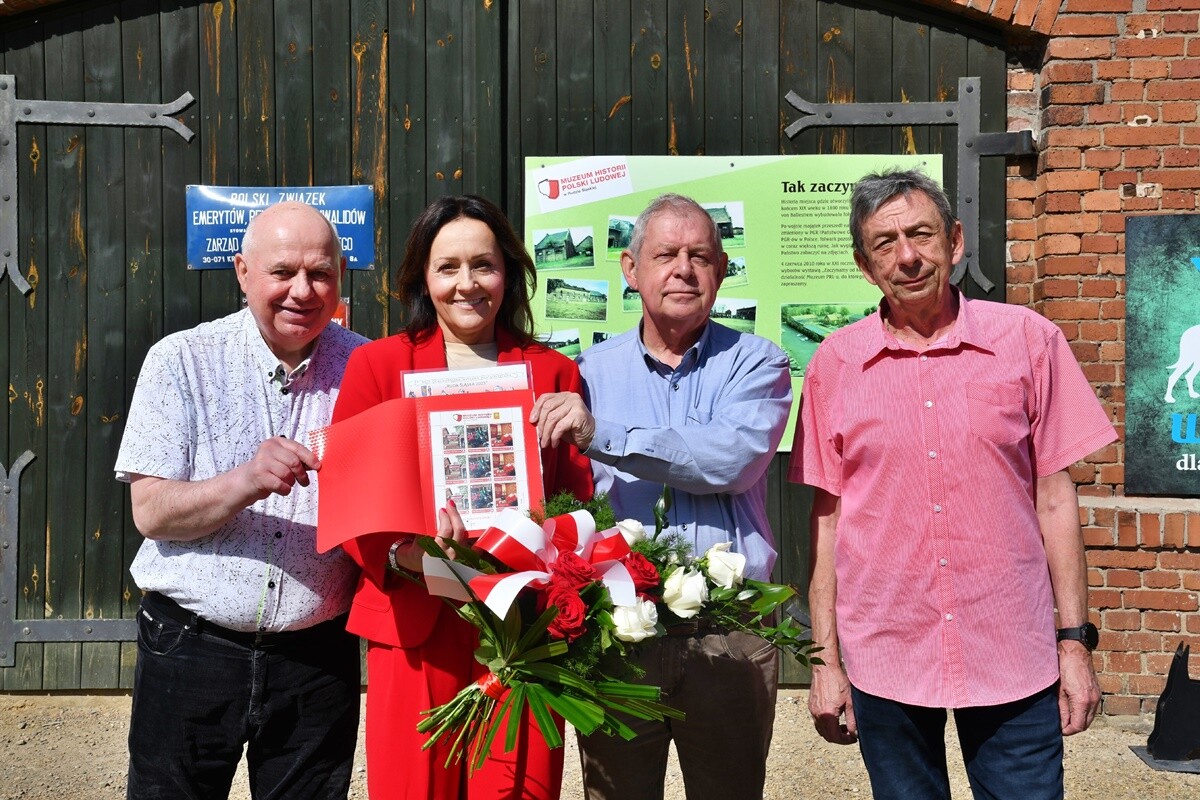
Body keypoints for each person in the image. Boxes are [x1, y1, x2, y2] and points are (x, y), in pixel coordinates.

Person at [790, 169, 1118, 800]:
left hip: (1010, 651)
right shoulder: (835, 363)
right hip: (886, 651)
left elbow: (1055, 499)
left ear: (956, 241)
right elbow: (827, 519)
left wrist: (1074, 643)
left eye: (922, 234)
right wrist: (825, 661)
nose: (907, 256)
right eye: (885, 244)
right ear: (864, 265)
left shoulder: (1028, 342)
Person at [331, 195, 594, 800]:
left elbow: (576, 506)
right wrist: (407, 557)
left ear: (509, 271)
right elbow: (348, 501)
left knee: (515, 789)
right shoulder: (378, 366)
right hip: (416, 617)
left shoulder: (553, 372)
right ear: (423, 275)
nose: (467, 284)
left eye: (485, 265)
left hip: (521, 630)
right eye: (448, 267)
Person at [531, 193, 792, 800]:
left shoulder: (758, 363)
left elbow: (732, 459)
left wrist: (603, 435)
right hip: (620, 630)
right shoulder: (586, 373)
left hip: (730, 631)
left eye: (700, 255)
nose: (683, 269)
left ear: (722, 270)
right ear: (630, 269)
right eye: (666, 254)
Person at [115, 201, 368, 799]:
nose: (303, 291)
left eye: (321, 274)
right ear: (242, 272)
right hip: (192, 647)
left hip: (318, 657)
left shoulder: (366, 366)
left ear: (340, 276)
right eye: (283, 272)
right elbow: (150, 511)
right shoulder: (180, 361)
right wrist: (245, 480)